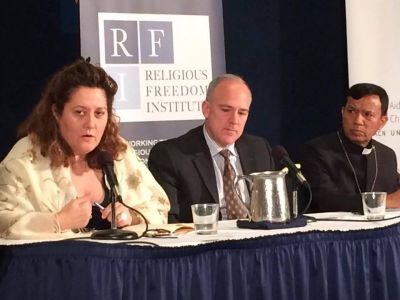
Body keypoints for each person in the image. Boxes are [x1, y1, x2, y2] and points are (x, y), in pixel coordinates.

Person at [0, 59, 170, 238]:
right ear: (57, 113)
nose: (90, 124)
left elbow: (159, 206)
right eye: (79, 112)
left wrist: (132, 216)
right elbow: (3, 222)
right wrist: (59, 221)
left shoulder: (119, 152)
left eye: (99, 113)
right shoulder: (26, 158)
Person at [148, 74, 275, 223]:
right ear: (206, 109)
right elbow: (170, 222)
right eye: (226, 110)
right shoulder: (171, 156)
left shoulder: (259, 149)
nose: (234, 120)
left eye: (242, 112)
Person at [300, 83, 400, 213]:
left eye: (367, 114)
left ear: (383, 121)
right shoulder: (317, 150)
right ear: (342, 112)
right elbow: (325, 201)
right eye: (351, 111)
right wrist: (384, 201)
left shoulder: (386, 155)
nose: (358, 120)